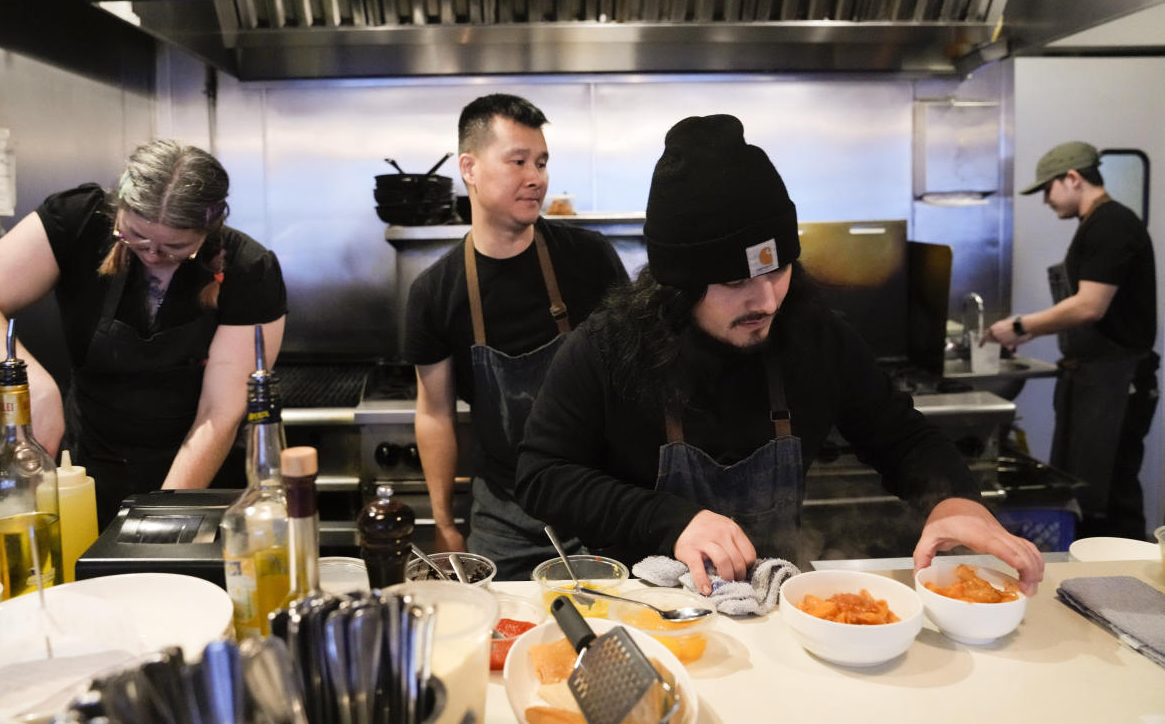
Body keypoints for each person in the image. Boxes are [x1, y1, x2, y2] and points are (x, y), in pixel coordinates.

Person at [517, 114, 1045, 595]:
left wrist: (954, 501)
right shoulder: (608, 346)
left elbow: (902, 436)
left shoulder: (814, 337)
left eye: (777, 268)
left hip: (784, 603)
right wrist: (669, 519)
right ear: (676, 286)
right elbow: (542, 475)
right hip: (649, 614)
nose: (766, 300)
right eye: (733, 281)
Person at [0, 140, 288, 528]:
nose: (152, 254)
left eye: (175, 247)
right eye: (135, 236)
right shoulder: (80, 219)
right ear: (120, 206)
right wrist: (35, 387)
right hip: (86, 473)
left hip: (200, 484)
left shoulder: (249, 269)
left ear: (210, 228)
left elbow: (218, 415)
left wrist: (161, 518)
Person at [403, 93, 629, 579]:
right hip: (502, 516)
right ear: (470, 167)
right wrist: (444, 523)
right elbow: (435, 413)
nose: (537, 177)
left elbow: (636, 378)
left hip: (595, 501)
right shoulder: (436, 291)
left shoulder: (590, 259)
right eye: (519, 161)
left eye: (542, 162)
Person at [986, 141, 1158, 541]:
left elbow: (1089, 306)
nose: (1046, 200)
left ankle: (1126, 590)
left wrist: (1020, 325)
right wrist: (1027, 330)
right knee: (1084, 491)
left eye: (1048, 188)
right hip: (1091, 381)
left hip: (1115, 383)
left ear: (1074, 178)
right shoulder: (1095, 225)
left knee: (1111, 496)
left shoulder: (1112, 224)